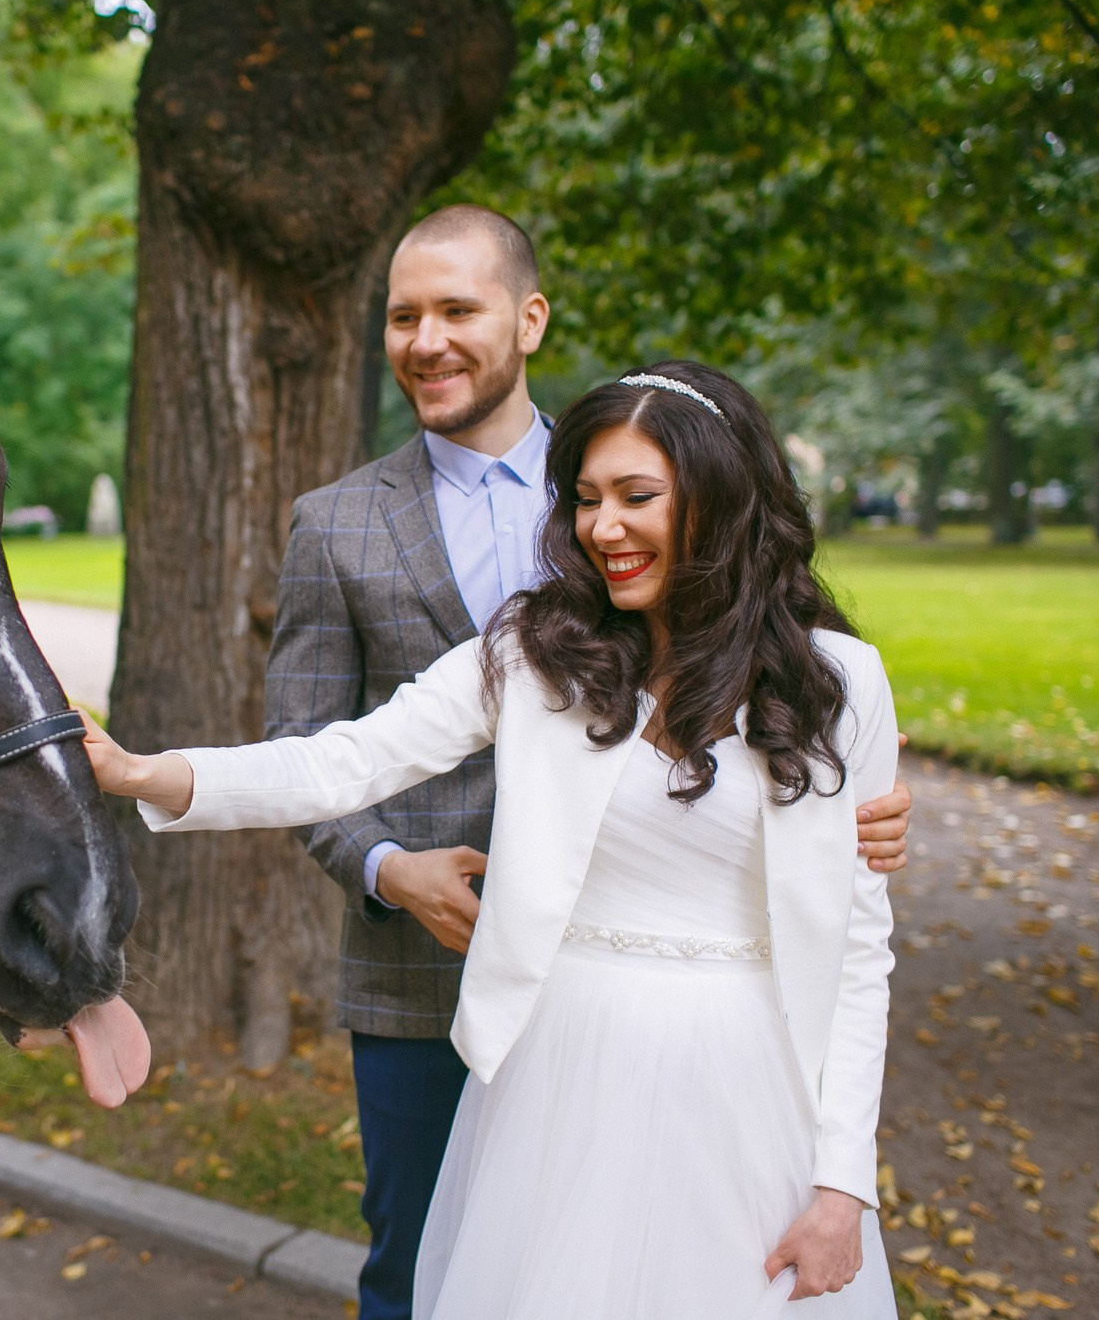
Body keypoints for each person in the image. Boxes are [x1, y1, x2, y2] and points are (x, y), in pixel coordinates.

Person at [83, 360, 900, 1317]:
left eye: (637, 497)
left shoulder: (840, 684)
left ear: (724, 500)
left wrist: (842, 1186)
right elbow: (344, 761)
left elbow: (858, 953)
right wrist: (140, 773)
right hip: (558, 1079)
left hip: (748, 1092)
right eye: (587, 499)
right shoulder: (536, 655)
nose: (603, 528)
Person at [263, 205, 911, 1317]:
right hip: (422, 974)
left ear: (528, 320)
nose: (426, 339)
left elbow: (778, 699)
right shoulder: (335, 522)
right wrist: (384, 866)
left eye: (456, 310)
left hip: (674, 1000)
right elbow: (313, 747)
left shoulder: (636, 459)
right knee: (427, 1270)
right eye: (403, 316)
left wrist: (851, 803)